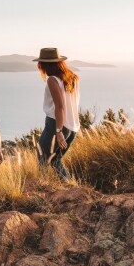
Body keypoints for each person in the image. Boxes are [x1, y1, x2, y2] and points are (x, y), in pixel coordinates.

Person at [33, 47, 81, 179]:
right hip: (73, 126)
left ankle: (42, 189)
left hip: (56, 125)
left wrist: (59, 131)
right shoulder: (73, 78)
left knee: (42, 158)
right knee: (56, 160)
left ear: (43, 64)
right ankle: (70, 187)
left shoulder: (52, 80)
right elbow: (73, 103)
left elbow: (59, 107)